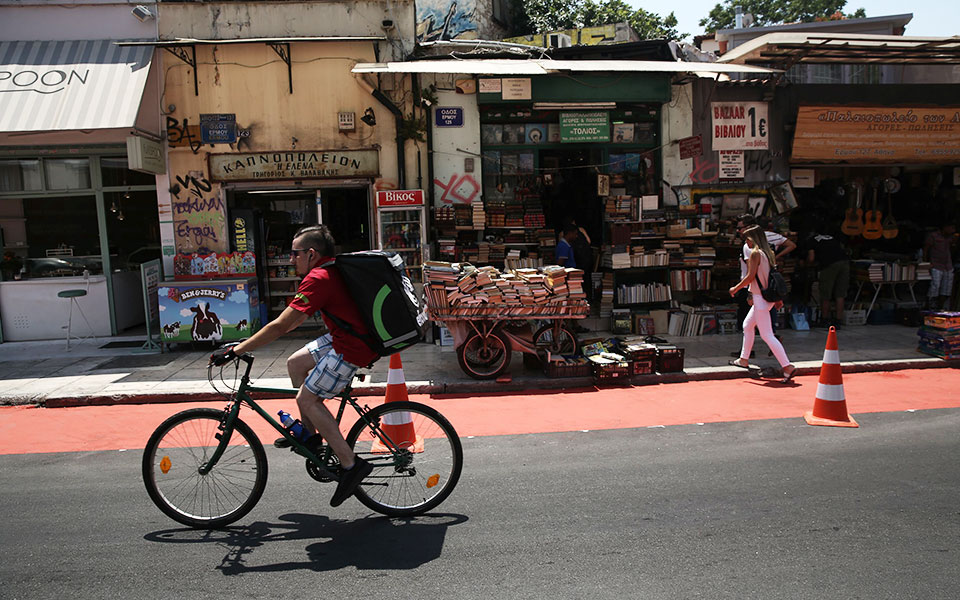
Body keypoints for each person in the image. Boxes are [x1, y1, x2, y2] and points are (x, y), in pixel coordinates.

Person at [211, 225, 374, 507]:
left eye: (294, 253)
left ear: (311, 254)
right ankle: (311, 438)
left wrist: (237, 350)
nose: (290, 259)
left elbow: (282, 325)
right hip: (344, 337)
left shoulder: (319, 278)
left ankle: (351, 465)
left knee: (307, 399)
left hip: (352, 346)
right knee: (295, 364)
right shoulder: (326, 270)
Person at [728, 225, 797, 383]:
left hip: (760, 299)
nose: (746, 242)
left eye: (747, 239)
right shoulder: (768, 253)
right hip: (767, 298)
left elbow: (750, 277)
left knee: (767, 335)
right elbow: (770, 276)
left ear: (753, 238)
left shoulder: (755, 254)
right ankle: (743, 359)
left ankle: (787, 366)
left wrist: (736, 288)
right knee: (747, 325)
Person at [806, 231, 851, 328]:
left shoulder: (811, 241)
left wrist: (808, 264)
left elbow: (811, 258)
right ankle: (838, 320)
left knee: (826, 293)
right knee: (840, 294)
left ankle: (825, 319)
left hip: (829, 265)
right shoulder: (830, 236)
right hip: (844, 262)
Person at [924, 222, 956, 310]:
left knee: (946, 288)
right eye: (951, 227)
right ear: (945, 227)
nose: (953, 230)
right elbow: (926, 249)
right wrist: (926, 263)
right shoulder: (933, 236)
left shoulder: (951, 238)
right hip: (936, 264)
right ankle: (929, 306)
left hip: (948, 265)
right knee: (935, 286)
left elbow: (952, 250)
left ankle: (941, 307)